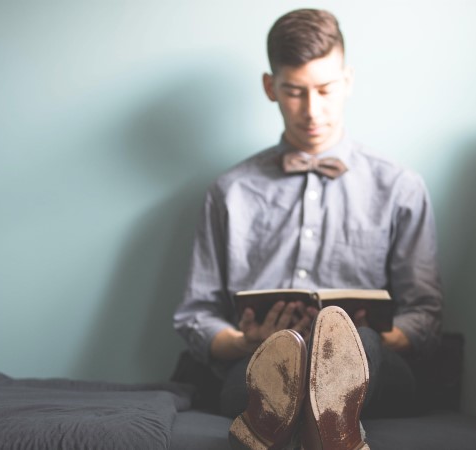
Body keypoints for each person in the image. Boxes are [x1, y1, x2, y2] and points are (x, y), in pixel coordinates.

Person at [173, 8, 443, 449]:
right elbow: (195, 316)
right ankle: (329, 433)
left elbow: (425, 318)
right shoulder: (228, 192)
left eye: (325, 89)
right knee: (269, 368)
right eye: (295, 92)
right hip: (257, 361)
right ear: (270, 88)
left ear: (348, 80)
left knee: (354, 345)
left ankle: (294, 422)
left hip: (375, 365)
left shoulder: (400, 187)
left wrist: (361, 335)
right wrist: (245, 340)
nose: (312, 111)